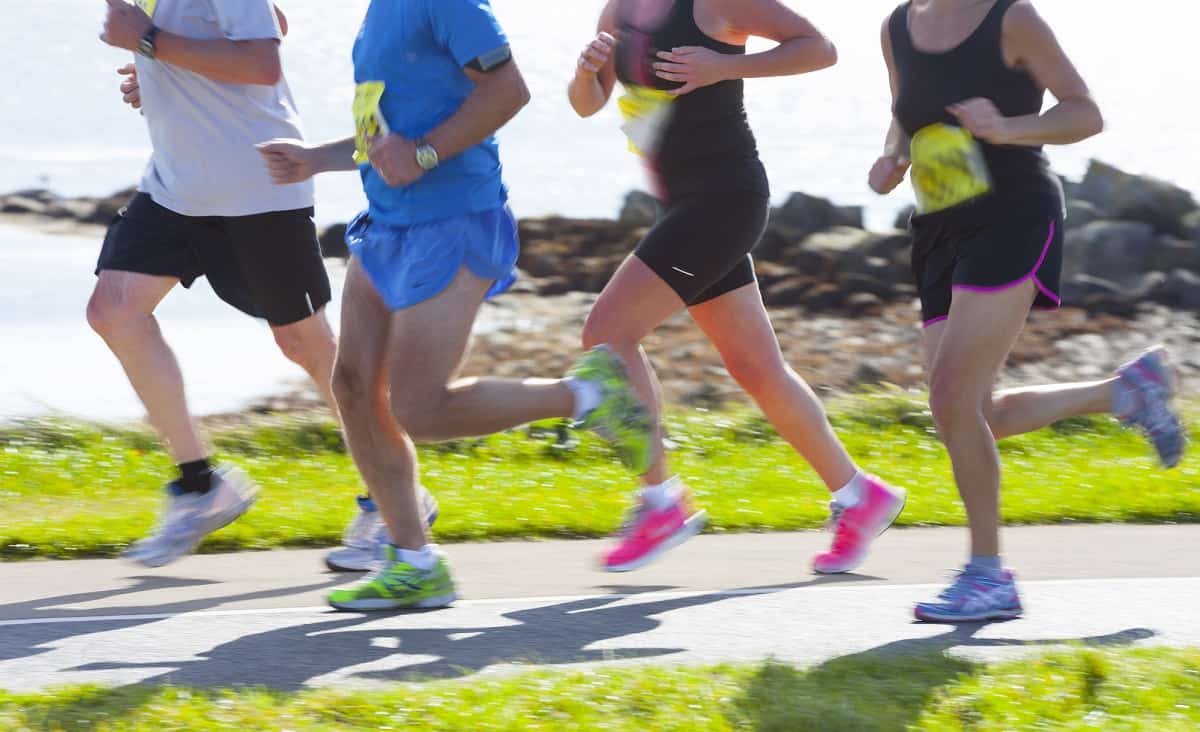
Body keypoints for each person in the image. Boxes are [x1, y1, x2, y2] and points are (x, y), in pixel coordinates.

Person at [257, 0, 653, 611]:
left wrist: (423, 157)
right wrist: (317, 158)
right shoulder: (377, 12)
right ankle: (414, 563)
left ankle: (590, 395)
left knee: (420, 407)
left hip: (453, 219)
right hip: (386, 225)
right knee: (355, 387)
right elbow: (383, 130)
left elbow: (508, 89)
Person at [870, 0, 1184, 622]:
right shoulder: (896, 26)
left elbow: (1084, 113)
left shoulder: (1010, 18)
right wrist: (893, 155)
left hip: (1012, 215)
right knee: (971, 411)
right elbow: (904, 112)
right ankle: (1125, 393)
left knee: (951, 400)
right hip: (937, 227)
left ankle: (989, 577)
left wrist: (1007, 128)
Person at [567, 0, 907, 573]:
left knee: (607, 334)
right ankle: (859, 495)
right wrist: (585, 69)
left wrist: (723, 67)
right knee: (756, 368)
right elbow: (586, 104)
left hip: (724, 200)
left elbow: (819, 48)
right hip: (681, 205)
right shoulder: (619, 7)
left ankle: (661, 501)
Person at [99, 0, 439, 573]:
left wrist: (154, 44)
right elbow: (268, 19)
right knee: (113, 310)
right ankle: (200, 483)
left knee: (308, 347)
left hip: (259, 189)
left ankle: (396, 497)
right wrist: (161, 74)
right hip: (177, 190)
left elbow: (262, 59)